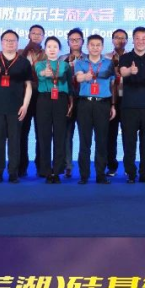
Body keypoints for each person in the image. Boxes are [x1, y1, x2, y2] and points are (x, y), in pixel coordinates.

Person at [0, 30, 33, 184]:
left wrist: (25, 105)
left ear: (17, 43)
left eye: (13, 41)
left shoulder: (24, 62)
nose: (10, 43)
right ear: (1, 42)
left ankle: (13, 173)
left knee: (15, 141)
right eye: (7, 40)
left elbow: (28, 85)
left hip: (16, 108)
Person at [74, 34, 117, 184]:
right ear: (87, 46)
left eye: (98, 45)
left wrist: (113, 105)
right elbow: (78, 77)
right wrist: (85, 76)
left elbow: (113, 85)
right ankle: (84, 175)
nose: (95, 48)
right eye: (92, 45)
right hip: (84, 104)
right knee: (84, 141)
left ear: (102, 47)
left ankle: (100, 175)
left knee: (102, 141)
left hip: (103, 104)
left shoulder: (109, 63)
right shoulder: (80, 63)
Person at [119, 27, 145, 182]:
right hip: (129, 107)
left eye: (144, 38)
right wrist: (130, 70)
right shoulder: (126, 57)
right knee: (129, 142)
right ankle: (130, 173)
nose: (141, 41)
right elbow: (122, 72)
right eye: (138, 38)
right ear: (133, 40)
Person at [35, 36, 74, 183]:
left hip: (61, 100)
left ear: (59, 50)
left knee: (60, 135)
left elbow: (69, 85)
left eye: (55, 47)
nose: (52, 49)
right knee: (44, 135)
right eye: (49, 47)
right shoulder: (39, 64)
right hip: (44, 100)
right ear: (45, 49)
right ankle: (45, 171)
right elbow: (40, 74)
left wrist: (71, 103)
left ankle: (57, 171)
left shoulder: (65, 65)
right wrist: (44, 73)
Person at [16, 24, 45, 177]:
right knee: (22, 132)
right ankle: (21, 167)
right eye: (33, 33)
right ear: (28, 35)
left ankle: (42, 166)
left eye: (39, 34)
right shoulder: (20, 52)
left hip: (41, 96)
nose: (36, 36)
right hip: (23, 96)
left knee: (41, 133)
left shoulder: (47, 53)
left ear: (43, 37)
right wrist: (27, 50)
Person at [61, 28, 85, 179]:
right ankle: (67, 165)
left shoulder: (88, 58)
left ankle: (84, 166)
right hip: (66, 100)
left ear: (83, 41)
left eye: (78, 39)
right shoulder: (61, 58)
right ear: (68, 41)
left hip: (84, 99)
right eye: (72, 40)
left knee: (84, 135)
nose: (75, 42)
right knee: (66, 134)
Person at [106, 28, 129, 177]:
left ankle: (128, 166)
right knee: (110, 135)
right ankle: (111, 166)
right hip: (110, 99)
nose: (120, 40)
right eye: (117, 37)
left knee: (128, 135)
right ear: (112, 40)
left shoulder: (132, 57)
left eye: (122, 38)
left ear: (127, 40)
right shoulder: (106, 57)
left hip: (127, 99)